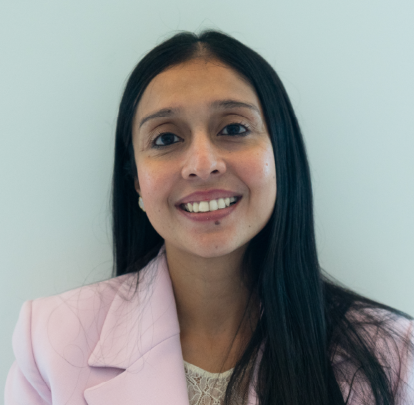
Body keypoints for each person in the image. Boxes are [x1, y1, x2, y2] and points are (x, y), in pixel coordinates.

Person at [5, 29, 414, 405]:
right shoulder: (50, 342)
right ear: (137, 183)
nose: (202, 164)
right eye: (166, 138)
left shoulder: (393, 354)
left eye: (233, 129)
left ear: (281, 156)